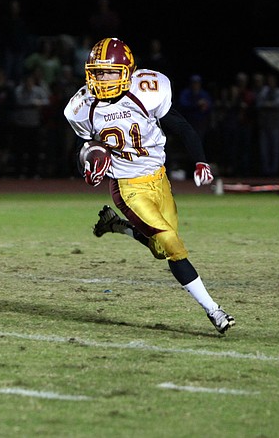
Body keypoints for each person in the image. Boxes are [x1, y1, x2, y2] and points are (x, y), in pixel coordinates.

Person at [63, 37, 234, 334]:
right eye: (97, 72)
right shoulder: (81, 107)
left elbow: (181, 126)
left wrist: (201, 161)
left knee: (160, 249)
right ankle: (214, 310)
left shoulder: (147, 91)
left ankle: (117, 226)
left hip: (159, 177)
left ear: (127, 71)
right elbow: (83, 150)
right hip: (127, 187)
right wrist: (86, 165)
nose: (102, 79)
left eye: (109, 72)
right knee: (171, 244)